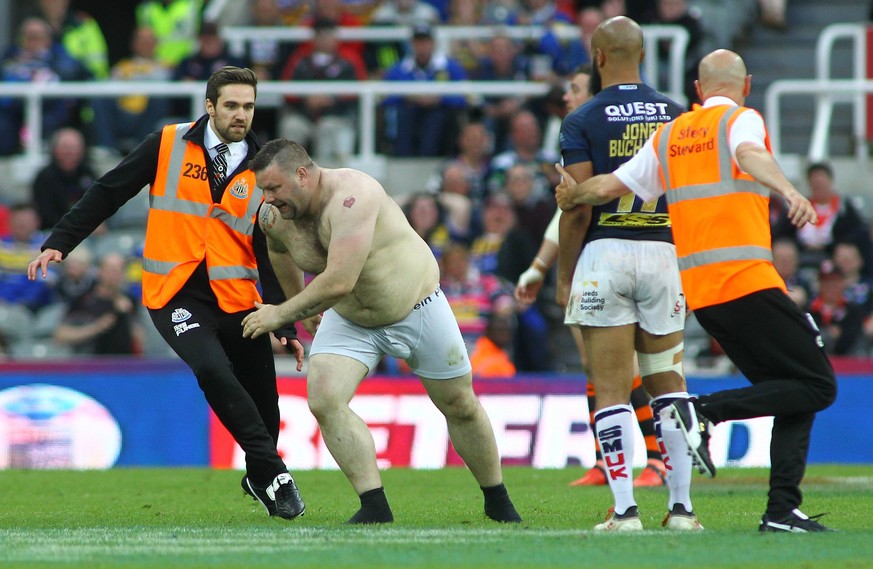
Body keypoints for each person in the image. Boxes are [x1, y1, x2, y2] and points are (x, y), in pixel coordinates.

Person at [555, 48, 838, 532]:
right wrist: (788, 190)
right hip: (747, 282)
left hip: (704, 299)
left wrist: (573, 194)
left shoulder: (671, 135)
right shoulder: (741, 121)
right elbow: (750, 154)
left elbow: (612, 186)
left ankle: (781, 511)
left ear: (698, 91)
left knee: (795, 390)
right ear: (745, 85)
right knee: (819, 384)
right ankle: (702, 411)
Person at [27, 66, 307, 521]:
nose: (241, 115)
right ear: (210, 106)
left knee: (265, 403)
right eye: (232, 105)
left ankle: (258, 470)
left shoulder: (263, 165)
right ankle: (274, 473)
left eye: (249, 107)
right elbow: (109, 191)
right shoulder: (167, 143)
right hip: (174, 289)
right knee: (213, 369)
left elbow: (269, 247)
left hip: (237, 296)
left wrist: (284, 319)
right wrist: (61, 241)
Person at [240, 139, 522, 525]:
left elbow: (339, 279)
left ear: (302, 175)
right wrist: (300, 308)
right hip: (351, 317)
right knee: (324, 398)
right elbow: (278, 250)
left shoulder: (353, 195)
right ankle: (374, 505)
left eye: (273, 188)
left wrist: (280, 314)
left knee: (459, 404)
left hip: (416, 306)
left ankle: (498, 500)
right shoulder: (274, 216)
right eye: (263, 191)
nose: (268, 199)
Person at [554, 16, 698, 532]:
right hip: (663, 253)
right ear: (642, 54)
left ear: (598, 58)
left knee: (612, 388)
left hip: (606, 254)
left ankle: (625, 511)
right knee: (669, 384)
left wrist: (564, 274)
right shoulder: (678, 116)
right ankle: (681, 510)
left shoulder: (583, 118)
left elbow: (575, 207)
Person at [515, 64, 667, 489]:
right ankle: (607, 461)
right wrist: (539, 266)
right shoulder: (587, 133)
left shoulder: (589, 131)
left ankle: (657, 458)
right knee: (595, 367)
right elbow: (563, 216)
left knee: (627, 368)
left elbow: (577, 209)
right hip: (620, 257)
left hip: (610, 258)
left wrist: (553, 274)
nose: (567, 97)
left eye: (576, 88)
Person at [53, 252, 145, 355]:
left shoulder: (130, 300)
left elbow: (140, 340)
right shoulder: (84, 299)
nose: (114, 275)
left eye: (119, 270)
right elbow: (61, 335)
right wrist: (97, 327)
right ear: (100, 271)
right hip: (91, 362)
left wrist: (127, 316)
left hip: (124, 363)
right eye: (110, 270)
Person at [31, 128, 97, 231]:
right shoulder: (44, 178)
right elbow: (45, 214)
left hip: (89, 232)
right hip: (54, 232)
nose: (70, 152)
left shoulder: (89, 174)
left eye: (74, 148)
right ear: (54, 150)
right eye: (65, 147)